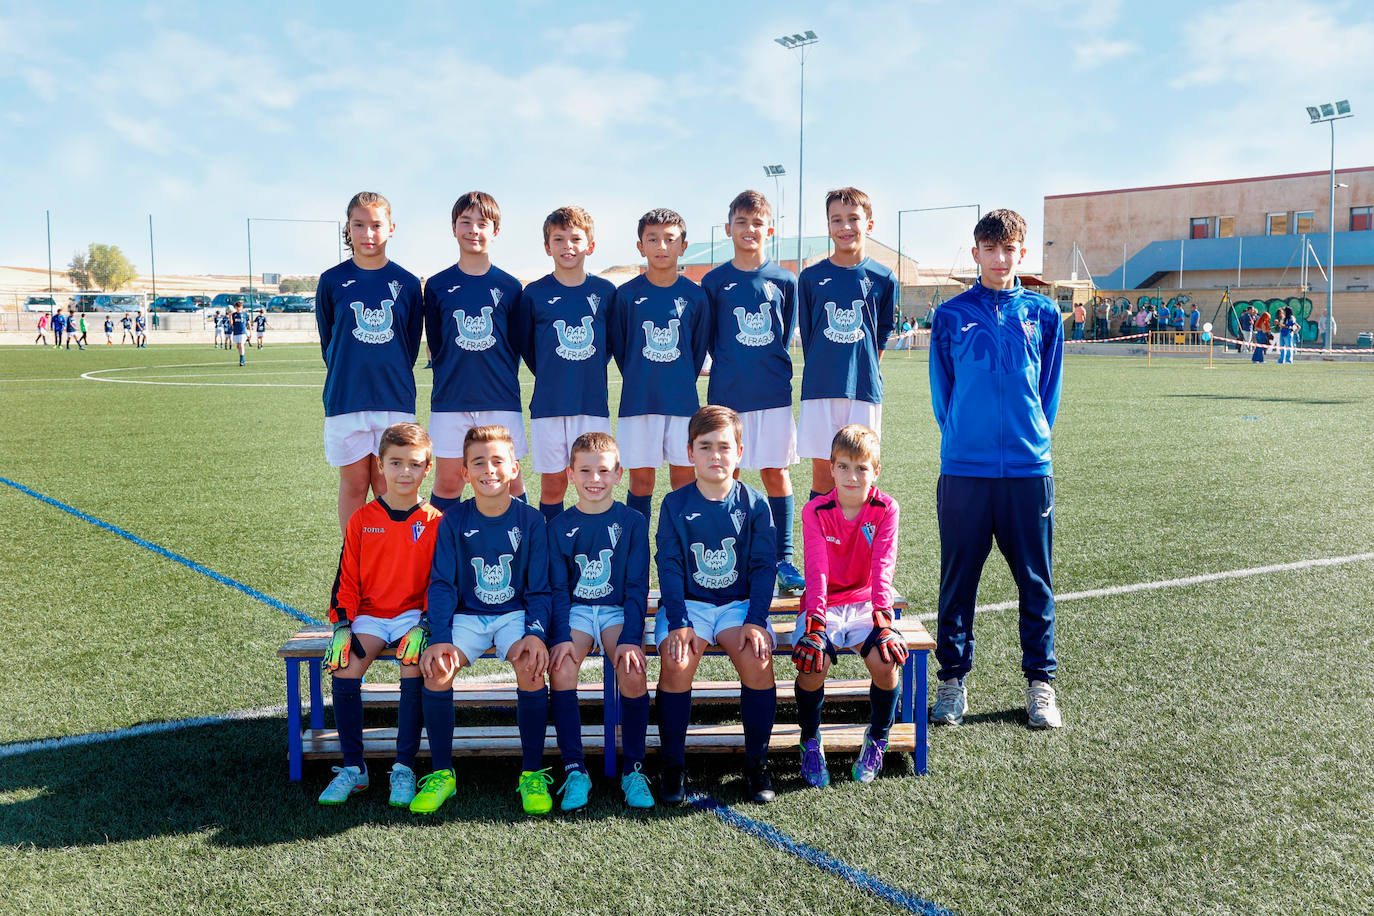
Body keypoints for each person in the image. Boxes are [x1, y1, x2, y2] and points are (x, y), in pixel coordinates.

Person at [928, 208, 1065, 730]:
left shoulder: (1044, 313)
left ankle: (1041, 684)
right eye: (991, 249)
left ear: (1021, 253)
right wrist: (963, 436)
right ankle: (952, 681)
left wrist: (1033, 438)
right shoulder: (951, 315)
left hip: (1029, 469)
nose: (1000, 258)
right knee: (959, 578)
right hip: (965, 468)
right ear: (976, 252)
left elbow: (1047, 391)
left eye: (1009, 250)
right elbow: (944, 394)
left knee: (1035, 580)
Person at [410, 425, 553, 816]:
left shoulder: (532, 522)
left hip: (514, 614)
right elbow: (441, 584)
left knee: (531, 665)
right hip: (467, 616)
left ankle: (532, 772)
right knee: (436, 669)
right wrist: (439, 636)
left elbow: (540, 589)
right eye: (478, 463)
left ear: (513, 469)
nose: (489, 469)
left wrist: (536, 634)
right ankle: (442, 773)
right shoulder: (452, 521)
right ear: (465, 473)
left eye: (497, 461)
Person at [654, 405, 778, 805]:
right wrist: (679, 621)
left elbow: (762, 569)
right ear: (690, 453)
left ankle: (757, 764)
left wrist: (757, 620)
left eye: (724, 447)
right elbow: (669, 567)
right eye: (705, 447)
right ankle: (672, 766)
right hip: (687, 604)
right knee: (676, 661)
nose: (715, 456)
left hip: (737, 605)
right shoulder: (674, 505)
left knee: (758, 660)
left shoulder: (756, 505)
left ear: (739, 451)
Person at [317, 422, 444, 808]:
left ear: (429, 467)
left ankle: (403, 768)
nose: (405, 472)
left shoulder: (437, 521)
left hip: (412, 616)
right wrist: (342, 624)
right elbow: (347, 578)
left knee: (412, 665)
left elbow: (441, 582)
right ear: (380, 464)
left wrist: (425, 623)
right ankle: (354, 768)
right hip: (369, 616)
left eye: (414, 464)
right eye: (395, 463)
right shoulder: (362, 519)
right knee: (344, 669)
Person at [700, 190, 804, 594]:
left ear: (770, 230)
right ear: (728, 229)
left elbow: (786, 331)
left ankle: (784, 557)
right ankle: (738, 555)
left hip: (773, 393)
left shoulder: (784, 280)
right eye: (741, 223)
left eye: (757, 223)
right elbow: (709, 338)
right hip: (727, 396)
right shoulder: (714, 281)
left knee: (776, 472)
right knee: (729, 474)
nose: (749, 230)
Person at [546, 432, 653, 810]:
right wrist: (559, 635)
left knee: (633, 669)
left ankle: (634, 770)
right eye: (586, 470)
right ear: (571, 474)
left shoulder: (633, 522)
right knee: (560, 669)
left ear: (618, 473)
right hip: (575, 611)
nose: (595, 479)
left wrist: (630, 636)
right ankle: (575, 769)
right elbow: (558, 589)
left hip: (615, 610)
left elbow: (639, 585)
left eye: (604, 471)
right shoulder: (558, 526)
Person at [793, 424, 906, 786]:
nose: (852, 476)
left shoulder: (886, 508)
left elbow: (882, 567)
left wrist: (883, 620)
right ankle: (810, 739)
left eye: (861, 468)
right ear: (831, 468)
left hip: (863, 604)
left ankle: (877, 737)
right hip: (821, 602)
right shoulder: (816, 510)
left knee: (886, 663)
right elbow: (817, 569)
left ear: (876, 471)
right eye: (843, 466)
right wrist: (816, 622)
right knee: (813, 663)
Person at [315, 191, 424, 536]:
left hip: (393, 399)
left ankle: (395, 557)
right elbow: (328, 341)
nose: (368, 234)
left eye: (376, 225)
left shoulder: (406, 283)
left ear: (391, 228)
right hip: (347, 398)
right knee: (354, 483)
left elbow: (409, 344)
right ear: (348, 228)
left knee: (389, 484)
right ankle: (356, 557)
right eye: (359, 225)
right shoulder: (332, 281)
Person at [423, 191, 527, 512]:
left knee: (509, 480)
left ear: (495, 231)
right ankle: (446, 555)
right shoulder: (438, 285)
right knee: (449, 481)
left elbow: (516, 344)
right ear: (453, 228)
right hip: (451, 399)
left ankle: (520, 553)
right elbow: (437, 345)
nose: (473, 229)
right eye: (465, 222)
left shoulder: (510, 286)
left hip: (499, 398)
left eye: (482, 223)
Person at [514, 206, 617, 523]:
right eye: (559, 239)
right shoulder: (534, 294)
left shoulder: (605, 292)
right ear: (548, 247)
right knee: (554, 485)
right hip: (549, 406)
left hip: (591, 404)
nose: (567, 246)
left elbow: (610, 345)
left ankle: (596, 547)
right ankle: (550, 554)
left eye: (575, 238)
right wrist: (552, 372)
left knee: (596, 482)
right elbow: (528, 346)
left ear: (591, 245)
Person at [607, 208, 710, 522]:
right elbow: (623, 350)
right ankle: (638, 559)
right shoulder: (625, 296)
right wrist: (643, 377)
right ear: (640, 246)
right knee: (641, 482)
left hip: (682, 403)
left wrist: (677, 381)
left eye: (670, 239)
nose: (661, 246)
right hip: (639, 403)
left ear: (683, 246)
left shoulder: (695, 296)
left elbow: (697, 349)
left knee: (684, 481)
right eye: (653, 239)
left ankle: (682, 554)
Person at [797, 187, 895, 503]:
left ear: (869, 223)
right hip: (820, 387)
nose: (845, 227)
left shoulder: (883, 277)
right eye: (836, 220)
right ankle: (819, 552)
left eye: (853, 218)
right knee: (824, 477)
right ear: (828, 226)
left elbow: (881, 334)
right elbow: (811, 333)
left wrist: (860, 367)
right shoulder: (811, 277)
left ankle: (858, 551)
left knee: (858, 476)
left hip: (863, 388)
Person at [230, 301, 248, 366]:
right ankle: (241, 357)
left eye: (240, 307)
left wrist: (250, 332)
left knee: (241, 345)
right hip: (236, 332)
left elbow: (248, 322)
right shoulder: (233, 315)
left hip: (242, 332)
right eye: (237, 307)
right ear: (235, 307)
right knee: (238, 346)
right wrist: (230, 316)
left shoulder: (245, 314)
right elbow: (231, 324)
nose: (239, 308)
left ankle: (242, 360)